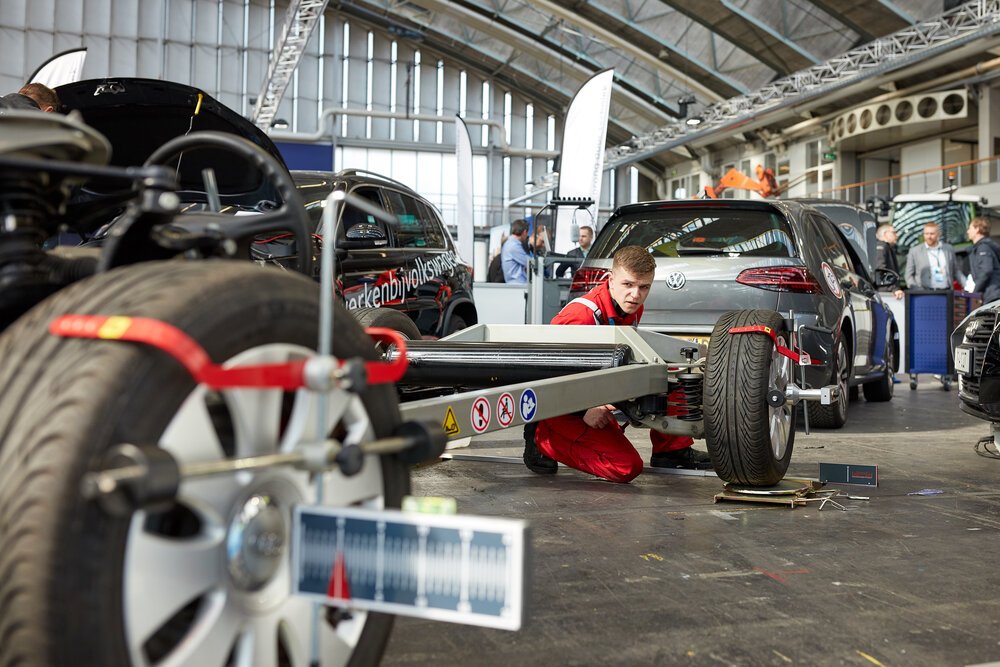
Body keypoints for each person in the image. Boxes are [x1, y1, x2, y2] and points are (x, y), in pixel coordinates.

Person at [522, 245, 711, 483]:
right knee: (625, 467)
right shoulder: (579, 318)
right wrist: (589, 406)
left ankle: (671, 450)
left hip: (601, 391)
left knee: (672, 375)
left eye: (644, 287)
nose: (636, 294)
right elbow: (546, 374)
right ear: (610, 280)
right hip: (560, 407)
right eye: (628, 285)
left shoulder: (630, 307)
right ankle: (542, 439)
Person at [904, 221, 964, 291]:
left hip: (946, 291)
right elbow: (908, 275)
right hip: (924, 292)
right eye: (926, 234)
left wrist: (967, 286)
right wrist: (916, 290)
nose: (929, 237)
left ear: (938, 234)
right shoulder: (915, 251)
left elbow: (956, 271)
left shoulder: (948, 249)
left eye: (932, 234)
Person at [966, 216, 1000, 304]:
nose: (968, 231)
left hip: (993, 295)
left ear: (977, 229)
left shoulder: (983, 248)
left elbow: (986, 270)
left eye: (970, 228)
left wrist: (975, 291)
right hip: (991, 294)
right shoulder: (981, 247)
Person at [874, 224, 904, 300]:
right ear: (885, 234)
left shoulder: (886, 247)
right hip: (885, 292)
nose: (896, 235)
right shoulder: (881, 247)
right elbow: (880, 269)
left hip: (886, 291)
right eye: (894, 232)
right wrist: (893, 288)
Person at [501, 219, 531, 283]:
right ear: (525, 232)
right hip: (518, 283)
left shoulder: (510, 243)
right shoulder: (513, 246)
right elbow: (530, 262)